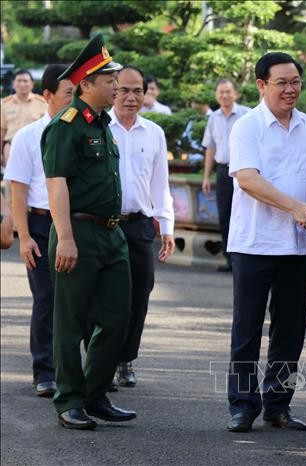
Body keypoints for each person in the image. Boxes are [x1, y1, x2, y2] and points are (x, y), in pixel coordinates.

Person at [225, 52, 306, 433]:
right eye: (281, 83)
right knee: (247, 329)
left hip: (299, 246)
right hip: (254, 244)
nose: (290, 90)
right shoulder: (246, 126)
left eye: (296, 82)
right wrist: (296, 208)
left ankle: (278, 404)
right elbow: (248, 180)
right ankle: (242, 405)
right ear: (261, 85)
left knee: (290, 330)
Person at [41, 33, 135, 430]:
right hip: (77, 232)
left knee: (117, 318)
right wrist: (64, 237)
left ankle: (95, 394)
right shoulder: (68, 125)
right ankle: (70, 400)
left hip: (113, 235)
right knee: (71, 321)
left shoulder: (102, 125)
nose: (117, 85)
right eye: (110, 79)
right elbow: (56, 184)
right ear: (86, 85)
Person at [4, 63, 73, 397]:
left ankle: (73, 371)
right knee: (46, 298)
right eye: (69, 94)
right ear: (48, 96)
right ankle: (44, 371)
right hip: (41, 224)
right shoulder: (28, 136)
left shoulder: (81, 134)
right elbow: (16, 189)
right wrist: (24, 236)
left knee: (76, 301)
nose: (74, 101)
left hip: (76, 225)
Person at [108, 65, 175, 387]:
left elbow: (160, 183)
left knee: (139, 294)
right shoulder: (98, 128)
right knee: (102, 296)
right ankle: (100, 362)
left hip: (139, 226)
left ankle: (126, 359)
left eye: (138, 90)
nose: (131, 97)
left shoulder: (154, 133)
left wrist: (167, 225)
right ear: (112, 90)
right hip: (103, 225)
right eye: (124, 90)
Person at [201, 79, 249, 272]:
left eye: (228, 92)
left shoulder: (246, 114)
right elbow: (210, 148)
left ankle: (243, 260)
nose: (225, 95)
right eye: (221, 92)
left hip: (243, 172)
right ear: (216, 95)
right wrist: (206, 176)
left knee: (244, 215)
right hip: (222, 172)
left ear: (235, 94)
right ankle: (230, 260)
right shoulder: (213, 118)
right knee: (225, 216)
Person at [1, 70, 47, 170]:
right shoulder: (5, 104)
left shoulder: (42, 103)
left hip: (35, 148)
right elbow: (2, 130)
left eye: (25, 81)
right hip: (11, 148)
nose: (22, 84)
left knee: (35, 182)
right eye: (19, 81)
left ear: (32, 84)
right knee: (12, 182)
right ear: (13, 84)